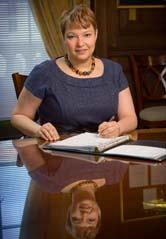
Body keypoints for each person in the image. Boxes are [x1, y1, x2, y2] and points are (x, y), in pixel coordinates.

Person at [11, 4, 137, 141]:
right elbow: (18, 117)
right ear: (64, 39)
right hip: (58, 151)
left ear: (96, 35)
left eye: (87, 35)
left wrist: (118, 128)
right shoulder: (44, 72)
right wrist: (39, 130)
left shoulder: (114, 70)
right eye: (72, 36)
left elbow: (130, 118)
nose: (80, 43)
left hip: (103, 151)